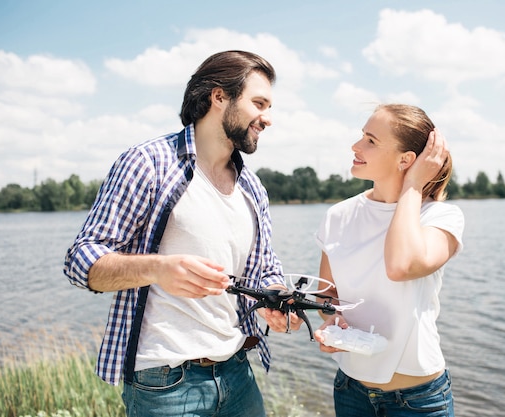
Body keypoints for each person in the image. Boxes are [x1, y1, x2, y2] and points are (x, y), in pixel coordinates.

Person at [64, 50, 301, 417]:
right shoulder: (148, 163)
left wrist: (278, 301)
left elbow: (265, 270)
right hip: (165, 384)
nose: (267, 119)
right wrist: (157, 269)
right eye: (259, 103)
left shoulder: (253, 188)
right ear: (219, 96)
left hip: (238, 373)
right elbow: (80, 261)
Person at [313, 103, 464, 417]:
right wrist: (332, 321)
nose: (356, 146)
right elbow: (329, 294)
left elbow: (401, 266)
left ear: (406, 159)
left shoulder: (440, 217)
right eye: (361, 136)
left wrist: (412, 186)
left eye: (371, 140)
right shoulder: (338, 216)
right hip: (350, 390)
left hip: (418, 401)